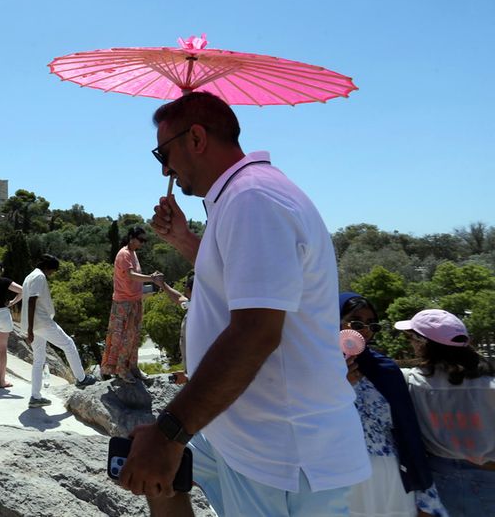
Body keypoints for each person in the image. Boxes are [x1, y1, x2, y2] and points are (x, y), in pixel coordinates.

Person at [128, 91, 369, 515]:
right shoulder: (243, 196)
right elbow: (241, 282)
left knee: (160, 454)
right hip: (244, 433)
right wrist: (183, 240)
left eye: (162, 153)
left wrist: (169, 432)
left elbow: (256, 332)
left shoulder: (252, 199)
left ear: (197, 139)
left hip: (280, 453)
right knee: (159, 478)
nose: (166, 168)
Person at [339, 293, 446, 517]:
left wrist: (425, 493)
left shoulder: (385, 369)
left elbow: (407, 429)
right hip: (336, 473)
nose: (365, 330)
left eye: (372, 324)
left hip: (389, 475)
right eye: (356, 322)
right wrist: (334, 384)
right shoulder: (312, 367)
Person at [397, 309, 495, 516]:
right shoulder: (490, 383)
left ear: (423, 343)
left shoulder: (412, 382)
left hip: (438, 476)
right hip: (488, 473)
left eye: (412, 338)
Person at [21, 255, 97, 408]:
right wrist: (30, 328)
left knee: (38, 360)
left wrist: (29, 327)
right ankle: (81, 379)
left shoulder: (30, 276)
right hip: (41, 322)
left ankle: (35, 397)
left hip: (34, 324)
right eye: (53, 271)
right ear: (48, 267)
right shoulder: (39, 276)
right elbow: (31, 301)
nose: (52, 274)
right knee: (68, 344)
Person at [101, 227, 163, 383]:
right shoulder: (124, 254)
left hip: (134, 300)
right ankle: (121, 370)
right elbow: (130, 275)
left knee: (134, 337)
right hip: (124, 302)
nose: (142, 243)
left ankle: (133, 367)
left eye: (144, 240)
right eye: (140, 239)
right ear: (131, 238)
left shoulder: (133, 253)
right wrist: (151, 278)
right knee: (124, 338)